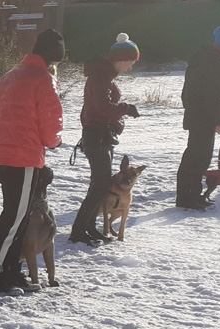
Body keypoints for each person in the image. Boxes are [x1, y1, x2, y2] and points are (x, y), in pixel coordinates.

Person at [0, 29, 64, 294]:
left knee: (16, 216)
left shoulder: (10, 76)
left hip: (2, 154)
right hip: (23, 155)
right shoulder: (44, 79)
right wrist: (54, 141)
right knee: (15, 219)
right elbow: (51, 120)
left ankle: (10, 269)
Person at [69, 33, 141, 245]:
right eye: (131, 62)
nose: (131, 67)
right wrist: (126, 108)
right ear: (122, 59)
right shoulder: (101, 77)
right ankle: (79, 231)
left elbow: (94, 109)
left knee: (99, 185)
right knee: (100, 185)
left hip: (100, 136)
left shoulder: (104, 76)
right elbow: (103, 107)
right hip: (98, 138)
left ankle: (88, 227)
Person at [175, 25, 220, 210]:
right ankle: (188, 197)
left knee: (195, 156)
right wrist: (218, 120)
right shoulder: (215, 63)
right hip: (205, 118)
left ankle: (190, 195)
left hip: (196, 115)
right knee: (199, 158)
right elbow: (214, 95)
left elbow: (189, 92)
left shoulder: (201, 58)